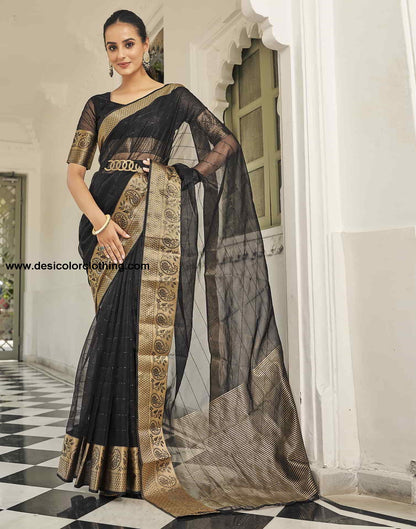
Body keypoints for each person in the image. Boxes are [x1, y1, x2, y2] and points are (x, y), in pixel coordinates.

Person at [56, 8, 320, 518]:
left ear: (145, 45)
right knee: (112, 332)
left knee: (139, 336)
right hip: (106, 223)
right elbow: (73, 174)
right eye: (112, 46)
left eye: (129, 43)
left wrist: (185, 177)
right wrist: (101, 224)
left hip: (152, 220)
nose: (121, 54)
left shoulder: (173, 96)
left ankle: (139, 463)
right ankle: (108, 463)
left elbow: (226, 143)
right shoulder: (96, 105)